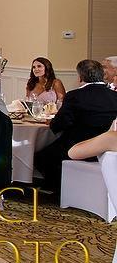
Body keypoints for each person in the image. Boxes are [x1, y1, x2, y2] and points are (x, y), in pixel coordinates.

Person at [34, 59, 117, 192]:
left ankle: (64, 191)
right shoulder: (114, 96)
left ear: (80, 78)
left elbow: (59, 125)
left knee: (41, 158)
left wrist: (52, 122)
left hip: (80, 147)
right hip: (107, 148)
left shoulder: (75, 96)